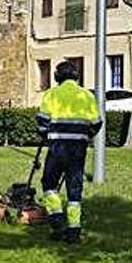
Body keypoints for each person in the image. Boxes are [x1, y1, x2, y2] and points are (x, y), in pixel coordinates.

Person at [36, 61, 102, 244]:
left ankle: (56, 219)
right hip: (77, 149)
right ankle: (74, 229)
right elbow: (97, 123)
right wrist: (84, 135)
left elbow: (42, 122)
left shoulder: (51, 94)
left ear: (57, 77)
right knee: (74, 188)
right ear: (76, 76)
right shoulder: (87, 95)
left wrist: (46, 135)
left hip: (57, 147)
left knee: (49, 182)